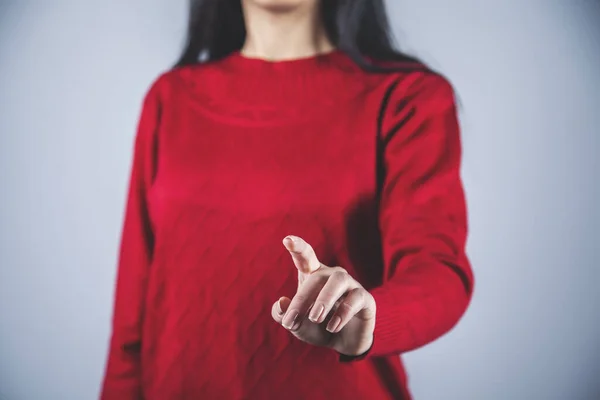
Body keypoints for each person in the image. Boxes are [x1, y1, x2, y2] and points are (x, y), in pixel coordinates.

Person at [100, 0, 474, 399]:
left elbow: (438, 272)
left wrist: (370, 317)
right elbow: (131, 322)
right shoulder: (170, 99)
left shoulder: (407, 97)